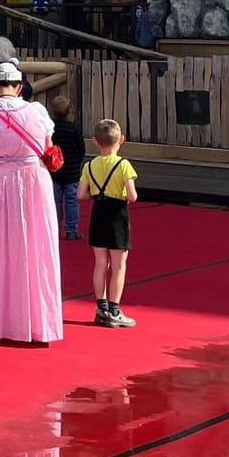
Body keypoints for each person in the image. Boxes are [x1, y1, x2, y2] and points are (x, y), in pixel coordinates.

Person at [0, 63, 64, 344]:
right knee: (34, 246)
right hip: (32, 181)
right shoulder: (38, 113)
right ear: (19, 87)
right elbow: (46, 148)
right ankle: (36, 322)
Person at [79, 119, 139, 328]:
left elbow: (81, 194)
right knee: (119, 265)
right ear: (121, 140)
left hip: (98, 213)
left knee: (100, 263)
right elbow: (132, 196)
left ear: (95, 141)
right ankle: (114, 309)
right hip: (117, 215)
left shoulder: (90, 165)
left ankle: (101, 307)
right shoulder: (123, 165)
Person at [50, 95, 85, 240]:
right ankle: (71, 230)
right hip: (72, 172)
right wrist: (76, 162)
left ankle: (55, 228)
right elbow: (80, 149)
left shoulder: (51, 129)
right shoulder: (74, 128)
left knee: (55, 201)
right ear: (69, 111)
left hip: (55, 171)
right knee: (71, 201)